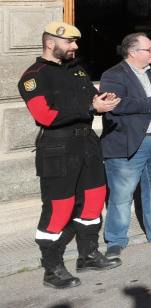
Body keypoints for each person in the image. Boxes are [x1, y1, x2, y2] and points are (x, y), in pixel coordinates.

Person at [18, 21, 122, 289]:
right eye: (69, 42)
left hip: (87, 144)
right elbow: (45, 115)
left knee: (93, 201)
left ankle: (88, 256)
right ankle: (52, 269)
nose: (75, 46)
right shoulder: (33, 76)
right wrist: (90, 108)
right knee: (59, 209)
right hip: (58, 148)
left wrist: (105, 100)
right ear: (50, 42)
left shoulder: (76, 70)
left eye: (75, 42)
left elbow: (93, 97)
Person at [100, 32, 151, 257]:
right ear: (133, 52)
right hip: (129, 142)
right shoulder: (113, 75)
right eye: (149, 49)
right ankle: (116, 239)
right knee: (122, 194)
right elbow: (117, 105)